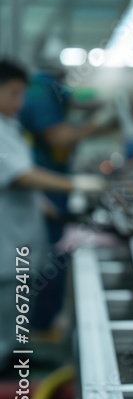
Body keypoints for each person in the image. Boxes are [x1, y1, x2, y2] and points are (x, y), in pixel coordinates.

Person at [0, 60, 105, 367]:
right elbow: (20, 175)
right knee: (8, 308)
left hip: (19, 237)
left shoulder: (9, 125)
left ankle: (14, 357)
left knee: (17, 308)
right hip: (7, 244)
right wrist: (76, 184)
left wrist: (41, 201)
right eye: (14, 94)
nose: (20, 103)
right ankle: (6, 372)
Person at [18, 54, 115, 333]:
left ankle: (36, 328)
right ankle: (37, 329)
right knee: (45, 257)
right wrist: (96, 124)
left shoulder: (49, 89)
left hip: (50, 186)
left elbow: (76, 99)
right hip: (45, 187)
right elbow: (59, 137)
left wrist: (101, 106)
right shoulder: (40, 91)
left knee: (47, 254)